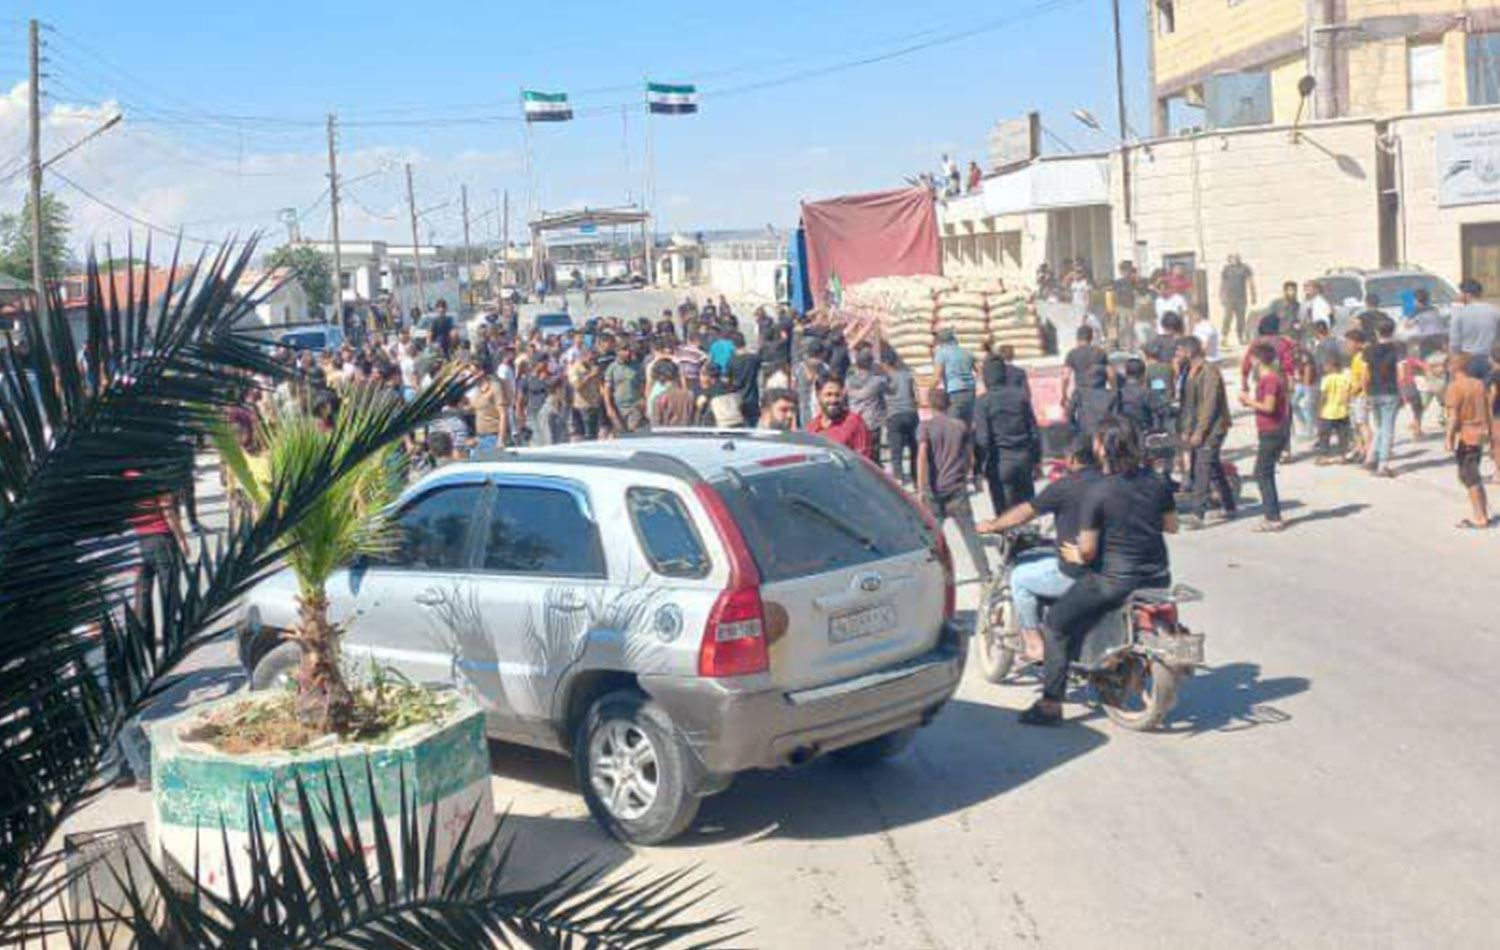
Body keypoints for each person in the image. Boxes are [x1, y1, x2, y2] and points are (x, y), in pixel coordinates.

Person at [1021, 417, 1177, 726]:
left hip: (1113, 582)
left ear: (1103, 448)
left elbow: (1088, 551)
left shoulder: (1099, 492)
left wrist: (1076, 553)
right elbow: (1171, 526)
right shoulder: (1158, 482)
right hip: (1158, 577)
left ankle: (1050, 703)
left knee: (1056, 623)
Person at [979, 443, 1102, 664]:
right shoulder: (1114, 483)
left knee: (1019, 577)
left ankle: (1035, 646)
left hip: (1077, 575)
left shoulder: (1065, 486)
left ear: (1072, 458)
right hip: (1113, 570)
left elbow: (1025, 512)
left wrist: (993, 524)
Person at [918, 388, 989, 583]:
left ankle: (940, 577)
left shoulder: (925, 427)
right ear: (949, 404)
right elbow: (969, 457)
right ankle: (985, 574)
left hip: (934, 490)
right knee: (970, 534)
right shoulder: (959, 426)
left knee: (932, 538)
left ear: (929, 405)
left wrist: (922, 487)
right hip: (957, 488)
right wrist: (965, 475)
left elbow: (922, 456)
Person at [1177, 335, 1236, 527]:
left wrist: (1200, 431)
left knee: (1202, 466)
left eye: (1180, 350)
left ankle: (1197, 514)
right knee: (1213, 466)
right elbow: (1188, 404)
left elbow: (1209, 405)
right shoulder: (1188, 371)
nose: (1177, 354)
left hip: (1214, 427)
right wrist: (1186, 429)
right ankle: (1229, 506)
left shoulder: (1210, 372)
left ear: (1189, 352)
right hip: (1197, 427)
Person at [973, 356, 1040, 516]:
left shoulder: (983, 402)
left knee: (1005, 514)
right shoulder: (1021, 397)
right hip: (1023, 458)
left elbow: (982, 440)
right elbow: (1034, 432)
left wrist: (978, 468)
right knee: (1026, 509)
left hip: (999, 463)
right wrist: (1036, 460)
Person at [1239, 341, 1291, 531]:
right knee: (1264, 472)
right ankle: (1272, 515)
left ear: (1257, 360)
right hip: (1271, 430)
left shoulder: (1270, 380)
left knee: (1262, 473)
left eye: (1251, 358)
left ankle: (1273, 517)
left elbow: (1269, 407)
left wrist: (1249, 401)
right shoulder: (1269, 378)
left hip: (1273, 431)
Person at [1444, 353, 1493, 529]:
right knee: (1471, 474)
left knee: (1469, 476)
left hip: (1467, 435)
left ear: (1454, 367)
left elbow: (1453, 417)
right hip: (1480, 433)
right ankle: (1483, 512)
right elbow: (1488, 409)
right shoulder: (1479, 384)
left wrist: (1449, 438)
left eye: (1447, 365)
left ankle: (1480, 517)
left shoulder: (1454, 387)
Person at [1364, 316, 1403, 477]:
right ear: (1392, 332)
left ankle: (1370, 457)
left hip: (1373, 391)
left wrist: (1366, 393)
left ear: (1377, 332)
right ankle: (1383, 464)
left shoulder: (1368, 350)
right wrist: (1403, 393)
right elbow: (1401, 373)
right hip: (1390, 391)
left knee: (1379, 427)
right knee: (1387, 428)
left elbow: (1366, 374)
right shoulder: (1397, 349)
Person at [807, 376, 872, 457]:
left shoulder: (854, 423)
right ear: (818, 396)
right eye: (828, 394)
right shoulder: (812, 428)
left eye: (837, 395)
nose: (833, 400)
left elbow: (864, 458)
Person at [845, 344, 889, 464]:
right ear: (871, 363)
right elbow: (890, 386)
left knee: (858, 454)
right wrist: (881, 370)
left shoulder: (848, 381)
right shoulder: (877, 381)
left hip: (855, 420)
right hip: (872, 421)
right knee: (873, 455)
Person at [884, 352, 920, 485]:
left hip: (894, 415)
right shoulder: (907, 375)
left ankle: (898, 478)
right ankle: (916, 478)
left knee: (896, 450)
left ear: (886, 364)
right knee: (914, 448)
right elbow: (914, 394)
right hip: (911, 413)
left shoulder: (883, 378)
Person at [1450, 278, 1500, 368]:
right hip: (1491, 359)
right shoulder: (1495, 311)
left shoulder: (1459, 313)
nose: (1458, 296)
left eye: (1460, 293)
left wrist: (1455, 358)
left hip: (1467, 359)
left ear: (1467, 295)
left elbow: (1455, 342)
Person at [933, 329, 977, 426]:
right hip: (971, 391)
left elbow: (936, 377)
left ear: (941, 340)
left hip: (954, 392)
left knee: (953, 425)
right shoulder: (967, 352)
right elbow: (980, 371)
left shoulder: (941, 353)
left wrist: (929, 391)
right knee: (968, 424)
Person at [1315, 352, 1353, 464]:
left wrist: (1319, 409)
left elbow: (1323, 396)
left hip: (1327, 412)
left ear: (1331, 366)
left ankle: (1324, 456)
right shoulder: (1344, 378)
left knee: (1324, 435)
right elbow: (1347, 395)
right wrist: (1346, 405)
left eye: (1325, 366)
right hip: (1342, 412)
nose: (1324, 368)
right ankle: (1342, 456)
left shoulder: (1326, 379)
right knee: (1343, 435)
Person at [604, 343, 646, 434]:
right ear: (618, 351)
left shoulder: (637, 366)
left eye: (628, 350)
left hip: (635, 405)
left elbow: (643, 385)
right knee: (621, 434)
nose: (627, 353)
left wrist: (644, 400)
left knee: (634, 431)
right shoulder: (612, 368)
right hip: (618, 408)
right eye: (624, 350)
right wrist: (608, 407)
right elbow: (607, 389)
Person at [1060, 325, 1107, 407]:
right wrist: (1113, 391)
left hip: (1082, 396)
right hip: (1099, 394)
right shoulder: (1100, 352)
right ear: (1091, 338)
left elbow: (1065, 377)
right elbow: (1111, 374)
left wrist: (1064, 395)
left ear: (1077, 338)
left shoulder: (1072, 354)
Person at [1219, 254, 1256, 344]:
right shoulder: (1226, 269)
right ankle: (1224, 337)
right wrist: (1221, 295)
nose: (1235, 259)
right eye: (1233, 257)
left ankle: (1240, 337)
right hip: (1229, 299)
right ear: (1229, 259)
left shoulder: (1244, 268)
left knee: (1241, 319)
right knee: (1227, 318)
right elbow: (1223, 283)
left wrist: (1253, 295)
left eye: (1236, 257)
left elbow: (1250, 282)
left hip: (1241, 298)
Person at [568, 349, 604, 440]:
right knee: (584, 436)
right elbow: (577, 386)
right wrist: (590, 375)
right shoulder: (575, 368)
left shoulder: (594, 367)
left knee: (594, 435)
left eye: (594, 359)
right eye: (590, 359)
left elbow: (600, 384)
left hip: (594, 405)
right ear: (583, 357)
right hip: (582, 406)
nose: (592, 361)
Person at [651, 361, 698, 428]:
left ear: (660, 378)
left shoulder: (658, 399)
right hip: (688, 433)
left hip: (666, 433)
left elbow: (656, 426)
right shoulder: (690, 395)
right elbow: (695, 420)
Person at [532, 378, 570, 446]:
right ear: (557, 390)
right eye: (564, 389)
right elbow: (548, 438)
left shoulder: (562, 408)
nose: (566, 392)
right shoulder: (547, 412)